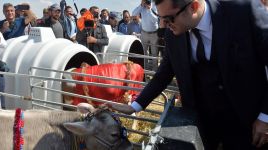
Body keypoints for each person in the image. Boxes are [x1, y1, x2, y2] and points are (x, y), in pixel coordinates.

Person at [108, 0, 268, 150]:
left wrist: (265, 117)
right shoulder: (173, 32)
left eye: (169, 18)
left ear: (194, 6)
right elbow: (164, 73)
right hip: (201, 122)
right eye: (161, 18)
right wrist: (135, 106)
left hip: (247, 120)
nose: (164, 24)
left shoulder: (243, 11)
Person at [133, 0, 159, 71]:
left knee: (154, 53)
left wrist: (149, 9)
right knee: (144, 52)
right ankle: (145, 69)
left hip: (154, 34)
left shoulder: (155, 5)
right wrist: (141, 5)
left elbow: (155, 20)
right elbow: (134, 13)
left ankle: (155, 70)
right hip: (144, 33)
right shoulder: (142, 6)